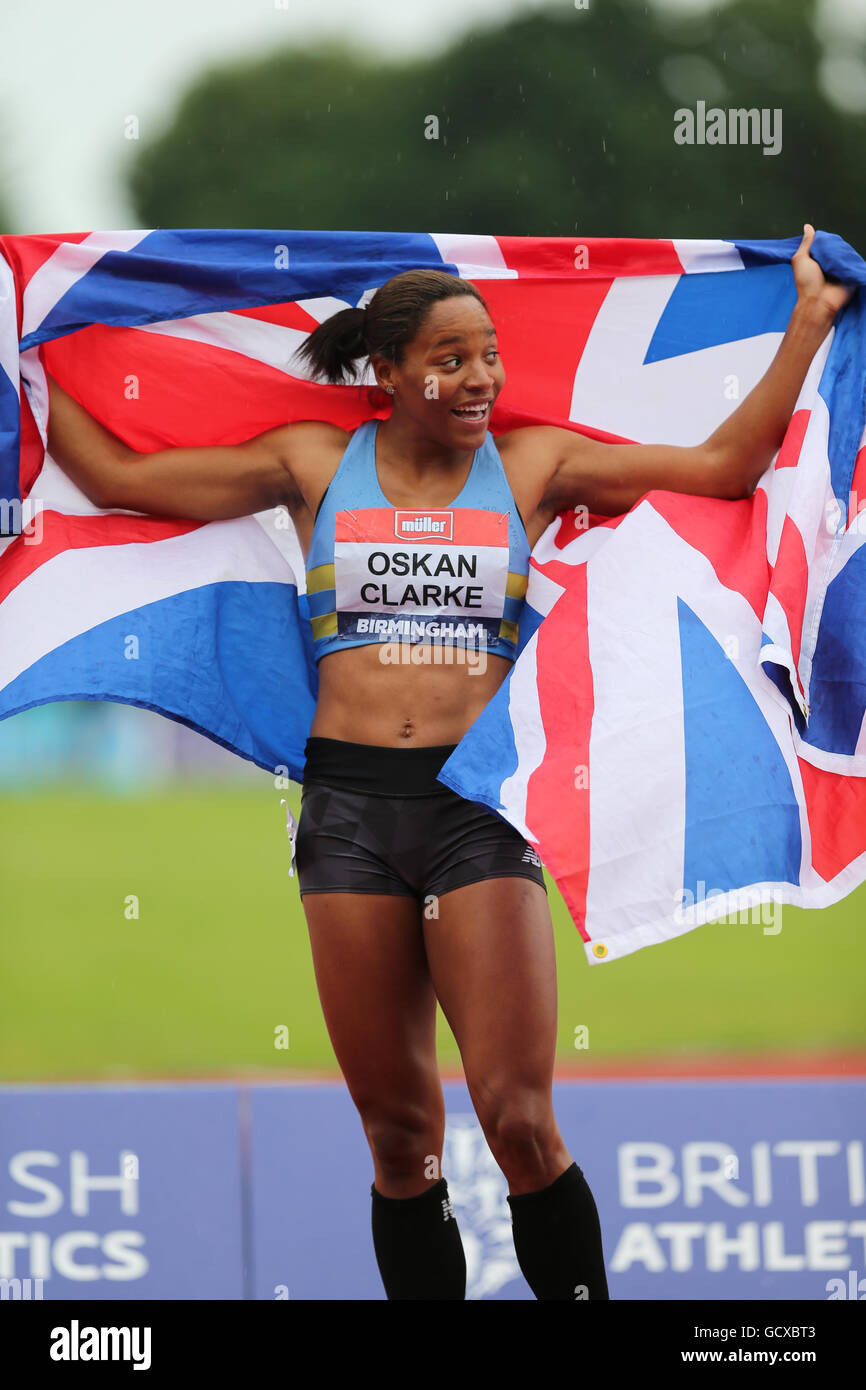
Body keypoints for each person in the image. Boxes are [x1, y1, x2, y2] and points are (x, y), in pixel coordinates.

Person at [44, 225, 851, 1301]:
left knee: (517, 1119)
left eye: (488, 355)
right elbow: (113, 474)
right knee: (398, 1138)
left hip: (474, 808)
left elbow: (722, 467)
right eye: (451, 358)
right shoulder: (311, 464)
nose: (479, 378)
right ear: (386, 374)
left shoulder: (533, 464)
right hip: (346, 816)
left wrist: (804, 324)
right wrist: (29, 347)